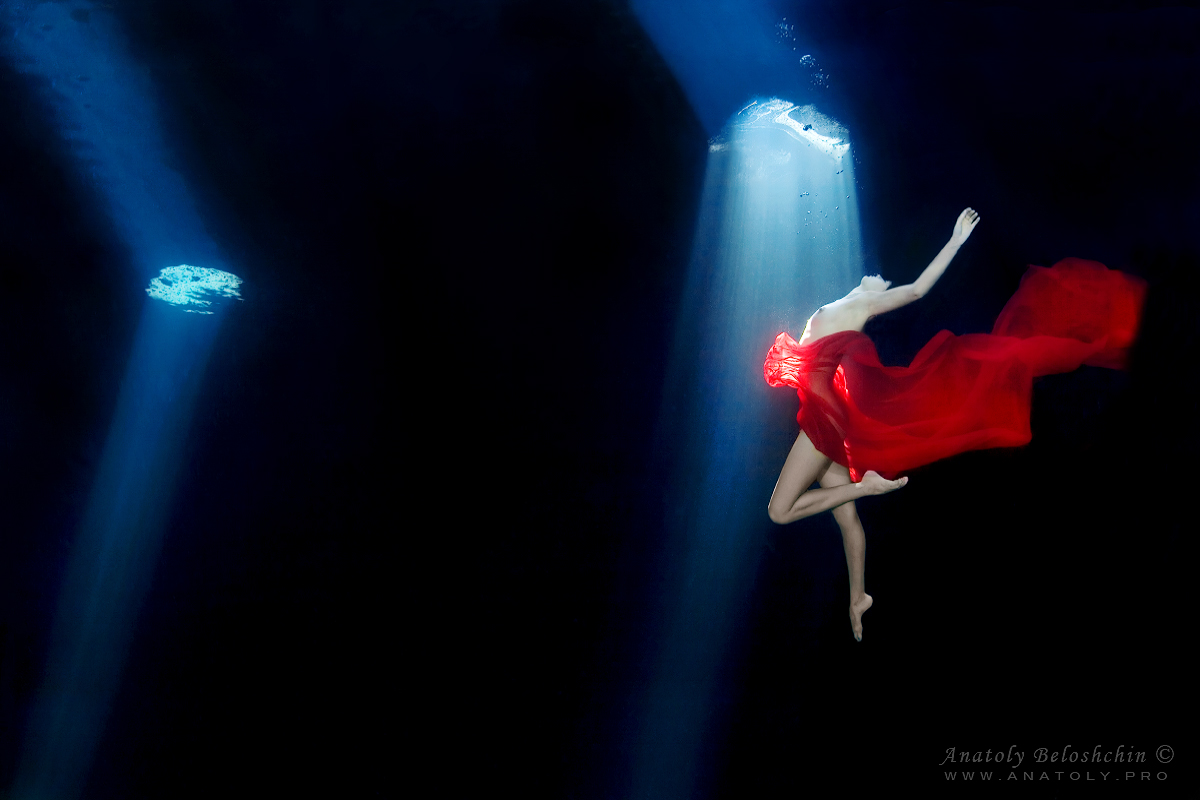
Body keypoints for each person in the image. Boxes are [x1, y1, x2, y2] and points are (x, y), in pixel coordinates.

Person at [764, 208, 1144, 642]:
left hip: (822, 422)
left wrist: (956, 240)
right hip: (829, 419)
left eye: (883, 280)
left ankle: (868, 486)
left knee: (779, 512)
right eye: (878, 277)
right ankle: (858, 598)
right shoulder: (843, 301)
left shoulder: (865, 304)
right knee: (847, 521)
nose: (879, 278)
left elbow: (919, 289)